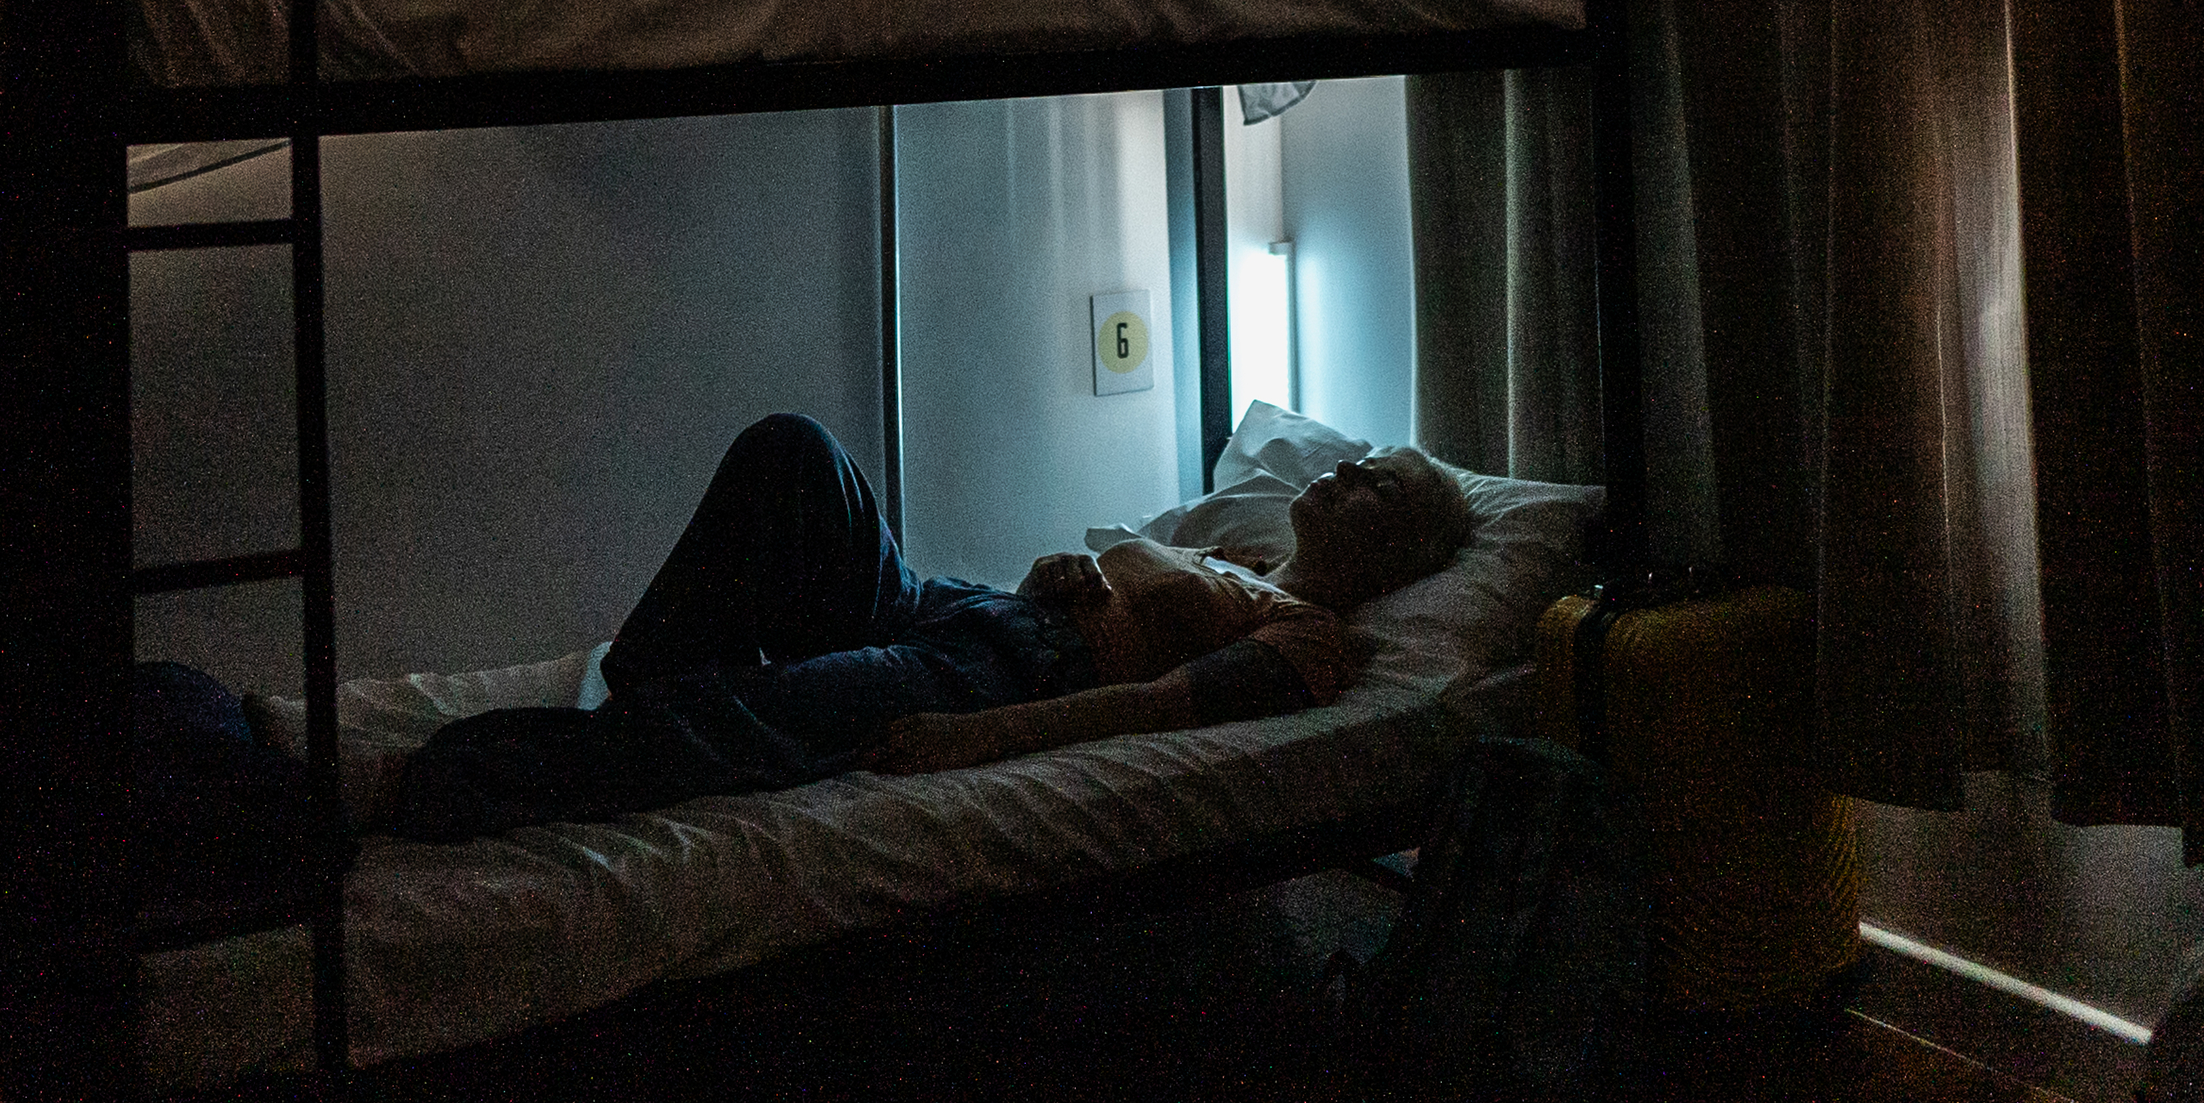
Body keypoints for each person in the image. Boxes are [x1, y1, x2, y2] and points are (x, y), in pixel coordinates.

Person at [387, 413, 1473, 842]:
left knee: (739, 714)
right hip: (963, 609)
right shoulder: (1234, 557)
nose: (1338, 469)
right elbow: (1131, 608)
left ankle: (425, 784)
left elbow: (1153, 706)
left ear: (1396, 554)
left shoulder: (1307, 640)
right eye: (1352, 456)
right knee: (797, 453)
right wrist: (1057, 571)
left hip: (995, 677)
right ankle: (640, 689)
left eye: (1371, 483)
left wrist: (972, 739)